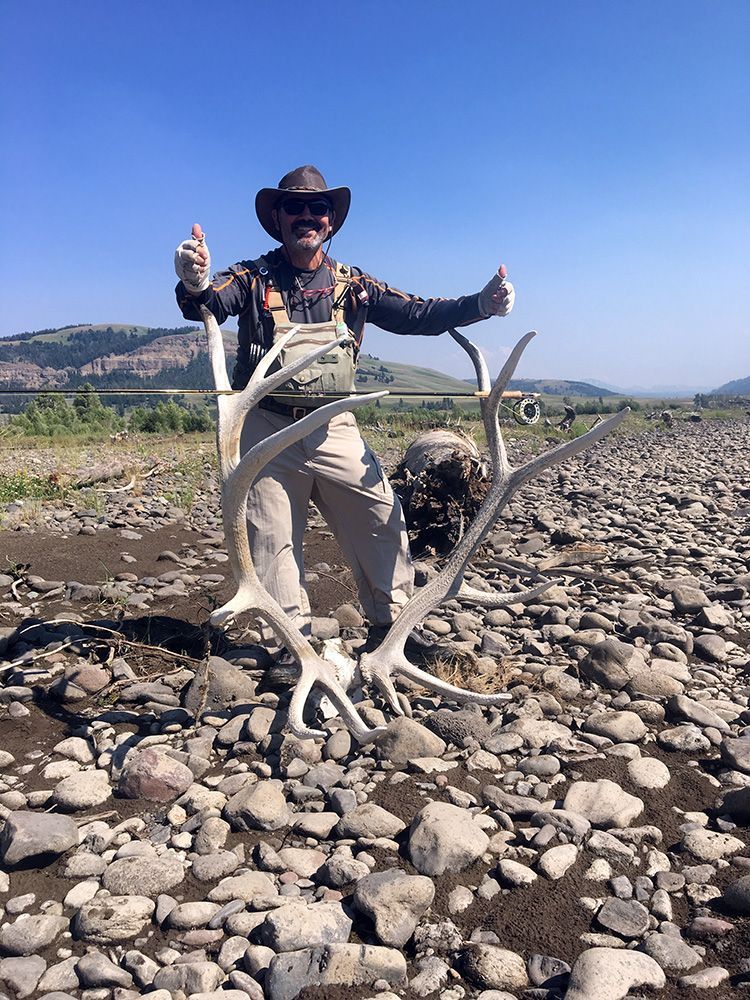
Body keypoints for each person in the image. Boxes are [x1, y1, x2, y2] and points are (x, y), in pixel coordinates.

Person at [174, 164, 515, 650]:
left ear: (330, 220)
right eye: (294, 206)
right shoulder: (251, 278)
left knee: (381, 518)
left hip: (336, 426)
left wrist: (481, 303)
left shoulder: (354, 285)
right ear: (278, 218)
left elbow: (418, 313)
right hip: (266, 432)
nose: (306, 215)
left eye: (317, 207)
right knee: (271, 540)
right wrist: (194, 280)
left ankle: (393, 629)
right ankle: (290, 648)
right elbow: (207, 303)